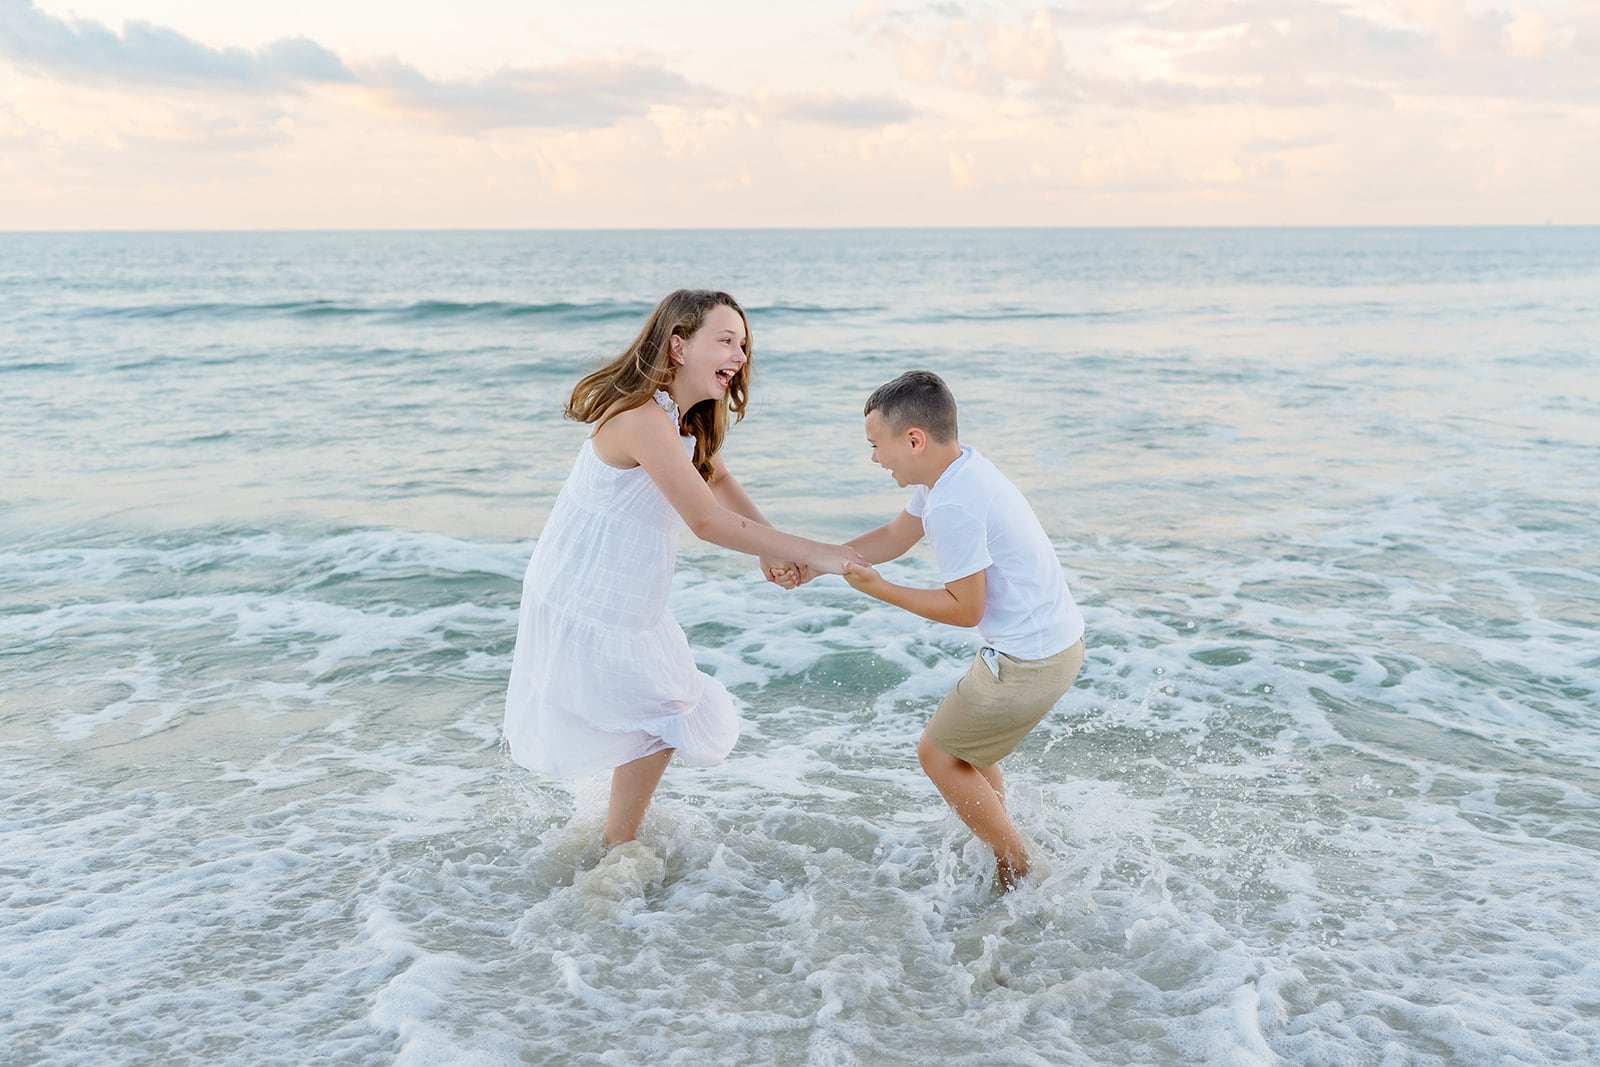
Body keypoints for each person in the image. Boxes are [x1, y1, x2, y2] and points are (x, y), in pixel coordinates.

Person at [503, 289, 861, 846]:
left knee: (656, 717)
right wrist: (819, 552)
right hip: (586, 593)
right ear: (677, 345)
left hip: (626, 597)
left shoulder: (683, 420)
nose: (740, 356)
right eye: (725, 340)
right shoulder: (642, 419)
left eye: (743, 344)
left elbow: (716, 481)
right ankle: (616, 849)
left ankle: (614, 843)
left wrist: (772, 545)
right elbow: (705, 521)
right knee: (662, 713)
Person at [838, 370, 1086, 891]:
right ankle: (1005, 841)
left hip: (1029, 660)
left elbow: (964, 609)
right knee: (963, 752)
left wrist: (878, 588)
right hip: (1046, 645)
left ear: (913, 439)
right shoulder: (957, 471)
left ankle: (1016, 862)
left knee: (937, 754)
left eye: (876, 445)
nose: (874, 458)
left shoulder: (953, 502)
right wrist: (817, 561)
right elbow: (893, 536)